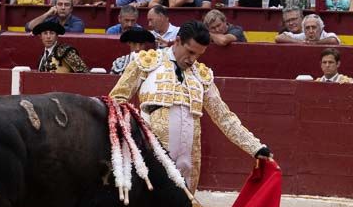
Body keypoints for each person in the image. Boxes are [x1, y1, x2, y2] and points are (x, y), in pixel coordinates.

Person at [109, 19, 271, 192]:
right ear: (177, 41)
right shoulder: (148, 61)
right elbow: (116, 99)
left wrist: (256, 147)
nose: (192, 60)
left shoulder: (201, 75)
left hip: (189, 160)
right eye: (190, 52)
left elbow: (224, 117)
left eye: (198, 55)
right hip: (150, 153)